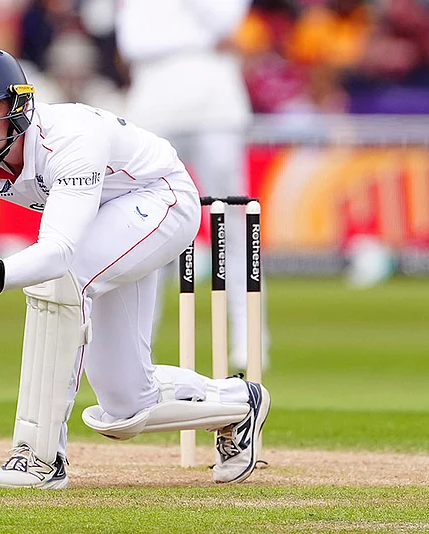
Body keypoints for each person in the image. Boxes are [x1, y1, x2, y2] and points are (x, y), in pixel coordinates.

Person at [0, 48, 271, 489]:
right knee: (124, 408)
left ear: (18, 106)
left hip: (161, 200)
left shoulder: (69, 137)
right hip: (107, 219)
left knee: (60, 280)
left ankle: (38, 457)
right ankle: (239, 404)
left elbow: (59, 251)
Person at [116, 0, 268, 370]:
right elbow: (133, 42)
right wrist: (198, 39)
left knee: (235, 224)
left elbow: (226, 19)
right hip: (154, 105)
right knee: (145, 225)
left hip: (215, 106)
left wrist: (185, 32)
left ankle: (250, 339)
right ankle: (137, 341)